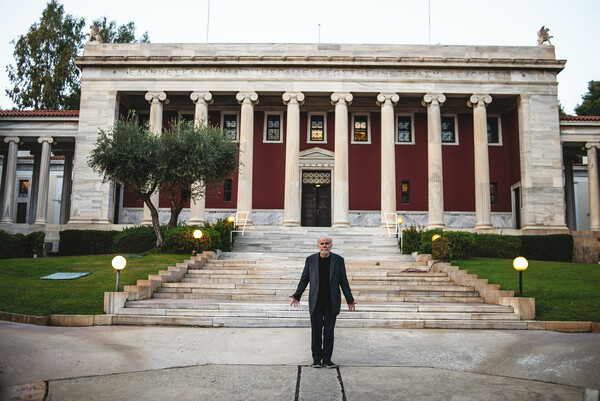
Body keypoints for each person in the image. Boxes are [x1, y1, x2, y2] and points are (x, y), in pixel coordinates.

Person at [290, 235, 356, 368]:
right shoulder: (311, 260)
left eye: (327, 243)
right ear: (318, 246)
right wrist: (297, 295)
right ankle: (316, 359)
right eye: (322, 243)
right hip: (316, 302)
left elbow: (344, 281)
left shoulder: (338, 260)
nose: (324, 246)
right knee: (316, 331)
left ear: (331, 245)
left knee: (329, 332)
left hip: (332, 302)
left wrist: (350, 299)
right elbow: (304, 279)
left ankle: (327, 359)